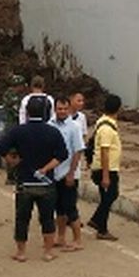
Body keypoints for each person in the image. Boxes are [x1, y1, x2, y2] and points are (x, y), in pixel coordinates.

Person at [0, 96, 68, 262]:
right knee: (47, 219)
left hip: (25, 182)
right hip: (46, 183)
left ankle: (21, 252)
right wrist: (46, 168)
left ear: (27, 112)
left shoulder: (18, 131)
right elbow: (62, 155)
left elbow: (0, 147)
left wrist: (12, 161)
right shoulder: (53, 132)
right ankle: (48, 252)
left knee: (22, 218)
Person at [51, 95, 85, 250]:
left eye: (65, 109)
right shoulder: (50, 125)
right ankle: (61, 237)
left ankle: (78, 240)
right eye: (59, 109)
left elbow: (78, 151)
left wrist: (71, 173)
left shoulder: (74, 127)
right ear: (55, 109)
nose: (62, 111)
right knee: (59, 208)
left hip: (69, 173)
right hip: (55, 173)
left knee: (70, 208)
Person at [88, 93, 123, 241]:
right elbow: (104, 151)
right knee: (111, 195)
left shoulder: (103, 122)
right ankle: (98, 222)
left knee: (106, 197)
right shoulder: (107, 128)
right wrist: (106, 175)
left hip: (104, 168)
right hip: (106, 169)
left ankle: (101, 226)